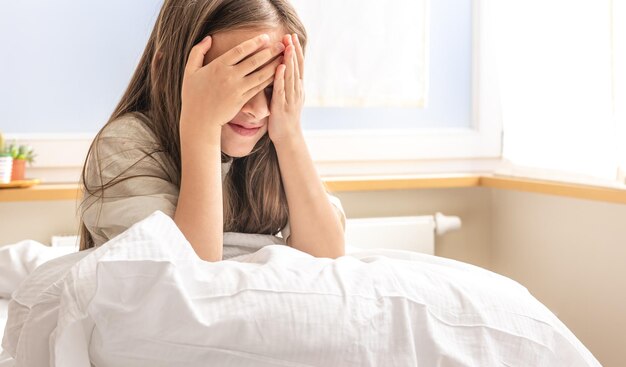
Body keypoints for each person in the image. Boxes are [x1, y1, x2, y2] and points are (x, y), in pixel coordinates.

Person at [78, 0, 346, 262]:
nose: (259, 109)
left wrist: (290, 135)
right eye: (236, 85)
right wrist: (201, 127)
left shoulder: (274, 139)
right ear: (166, 70)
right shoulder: (124, 145)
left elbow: (329, 257)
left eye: (271, 88)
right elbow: (188, 277)